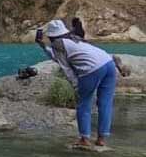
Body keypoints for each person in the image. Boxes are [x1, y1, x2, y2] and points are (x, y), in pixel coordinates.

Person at [36, 19, 117, 147]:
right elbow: (59, 57)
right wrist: (43, 46)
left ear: (51, 36)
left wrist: (76, 85)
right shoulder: (75, 39)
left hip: (91, 69)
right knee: (105, 103)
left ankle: (84, 139)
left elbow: (66, 68)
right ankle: (101, 139)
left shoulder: (58, 43)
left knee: (83, 103)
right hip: (109, 64)